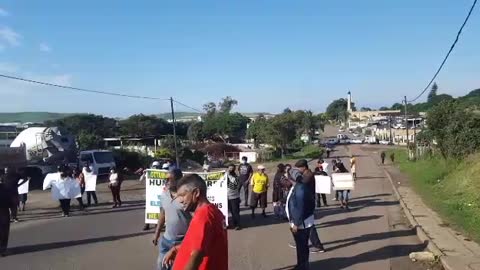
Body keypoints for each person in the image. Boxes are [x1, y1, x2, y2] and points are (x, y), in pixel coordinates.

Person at [162, 174, 228, 270]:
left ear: (196, 193)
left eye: (182, 195)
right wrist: (177, 249)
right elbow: (204, 244)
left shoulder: (203, 216)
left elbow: (197, 256)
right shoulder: (213, 211)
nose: (180, 200)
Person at [153, 169, 191, 270]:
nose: (168, 182)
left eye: (171, 179)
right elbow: (162, 214)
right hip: (166, 241)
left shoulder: (187, 196)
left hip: (182, 242)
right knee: (161, 266)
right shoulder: (164, 194)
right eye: (166, 179)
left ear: (180, 180)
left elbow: (196, 218)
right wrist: (157, 234)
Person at [286, 167, 316, 270]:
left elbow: (300, 208)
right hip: (300, 222)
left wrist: (296, 223)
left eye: (288, 177)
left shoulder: (300, 189)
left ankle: (303, 266)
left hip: (300, 224)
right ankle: (302, 264)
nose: (286, 179)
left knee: (302, 246)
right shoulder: (299, 186)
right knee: (301, 246)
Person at [293, 160, 325, 254]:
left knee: (309, 225)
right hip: (306, 201)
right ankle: (300, 242)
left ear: (304, 167)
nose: (298, 170)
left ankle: (318, 246)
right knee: (303, 224)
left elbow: (301, 183)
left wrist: (295, 178)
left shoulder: (309, 175)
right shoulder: (306, 174)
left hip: (308, 202)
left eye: (299, 168)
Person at [226, 164, 241, 230]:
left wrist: (227, 178)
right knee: (226, 212)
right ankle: (227, 224)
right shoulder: (224, 176)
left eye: (232, 168)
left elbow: (234, 186)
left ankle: (237, 225)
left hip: (234, 197)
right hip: (225, 197)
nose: (230, 170)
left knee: (235, 212)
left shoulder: (236, 178)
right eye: (229, 168)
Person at [0, 179, 13, 256]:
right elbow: (10, 201)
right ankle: (2, 249)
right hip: (3, 211)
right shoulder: (5, 188)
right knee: (4, 231)